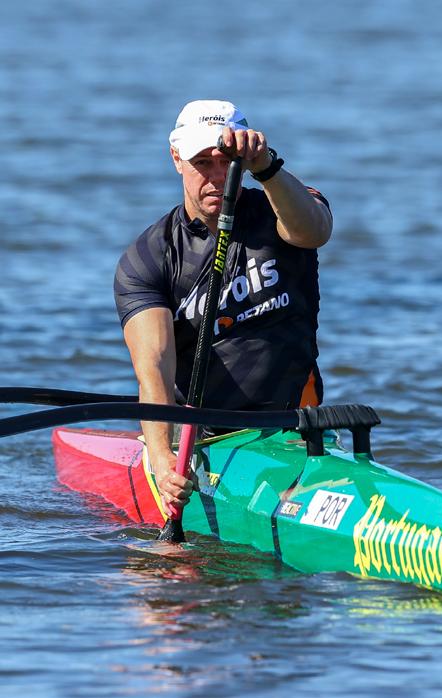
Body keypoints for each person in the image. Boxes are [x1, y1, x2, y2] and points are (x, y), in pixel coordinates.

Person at [114, 100, 332, 514]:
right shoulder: (147, 259)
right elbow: (154, 365)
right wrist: (161, 461)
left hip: (294, 428)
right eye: (202, 162)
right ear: (176, 158)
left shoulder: (285, 208)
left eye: (226, 162)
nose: (216, 176)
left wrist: (266, 166)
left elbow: (314, 232)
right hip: (202, 438)